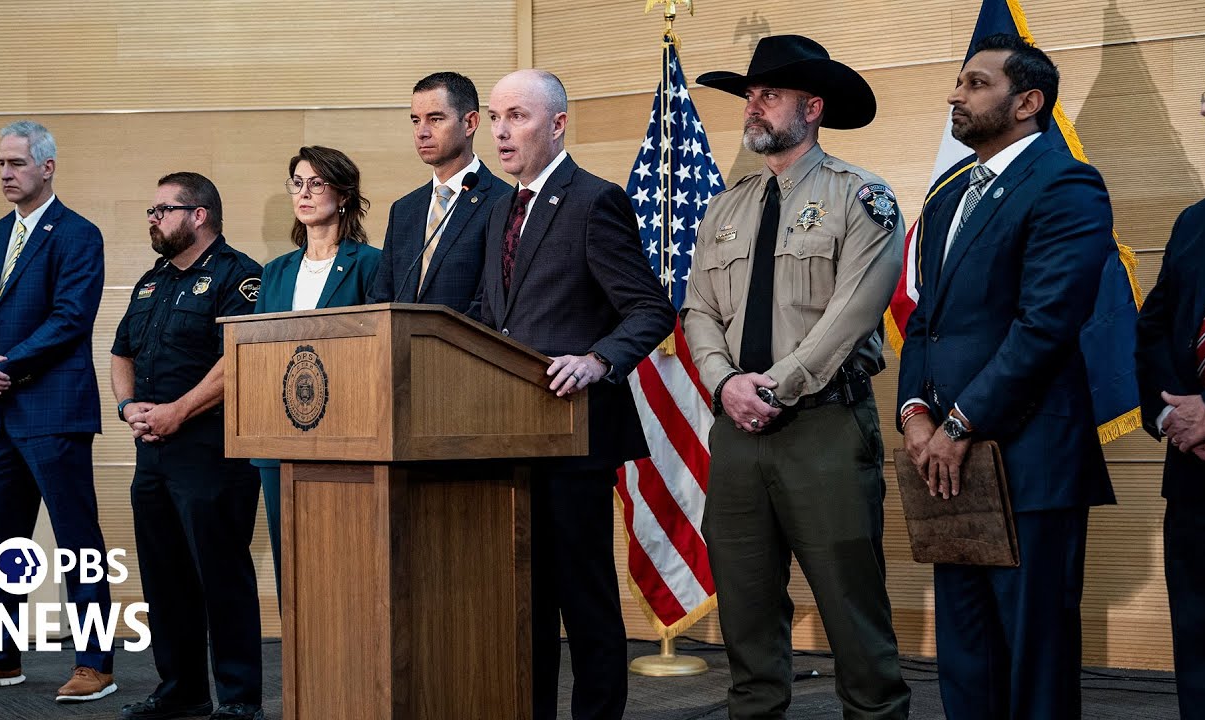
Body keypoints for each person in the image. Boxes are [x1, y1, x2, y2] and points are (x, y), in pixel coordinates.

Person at [683, 35, 911, 719]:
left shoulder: (861, 197)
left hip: (824, 429)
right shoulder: (726, 208)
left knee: (852, 610)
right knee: (746, 613)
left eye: (770, 94)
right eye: (750, 94)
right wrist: (725, 384)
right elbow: (698, 310)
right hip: (738, 432)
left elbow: (851, 315)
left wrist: (771, 388)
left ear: (812, 108)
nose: (753, 105)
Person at [897, 34, 1115, 719]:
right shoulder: (950, 197)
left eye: (976, 83)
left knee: (1033, 662)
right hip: (949, 465)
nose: (955, 95)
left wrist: (962, 422)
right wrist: (915, 414)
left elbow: (1045, 325)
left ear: (1028, 102)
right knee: (968, 660)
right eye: (959, 82)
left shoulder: (1066, 183)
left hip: (1028, 461)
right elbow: (925, 320)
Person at [471, 69, 676, 720]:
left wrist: (597, 360)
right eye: (495, 117)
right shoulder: (499, 209)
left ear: (558, 124)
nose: (501, 131)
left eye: (518, 116)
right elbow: (494, 316)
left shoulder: (594, 201)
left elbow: (650, 309)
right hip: (510, 437)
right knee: (524, 605)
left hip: (573, 436)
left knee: (584, 603)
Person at [0, 120, 116, 702]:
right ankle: (0, 657)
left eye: (16, 163)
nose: (6, 174)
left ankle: (94, 664)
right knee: (4, 543)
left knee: (77, 543)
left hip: (54, 410)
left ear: (47, 167)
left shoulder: (78, 234)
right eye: (1, 164)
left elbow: (70, 319)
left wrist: (2, 369)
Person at [111, 172, 264, 720]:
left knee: (221, 575)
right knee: (164, 576)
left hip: (211, 451)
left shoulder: (239, 276)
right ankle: (182, 690)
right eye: (152, 211)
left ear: (199, 215)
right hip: (153, 453)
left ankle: (240, 698)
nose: (153, 219)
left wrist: (178, 410)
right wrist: (128, 407)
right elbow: (121, 352)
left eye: (163, 210)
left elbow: (238, 359)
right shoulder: (151, 282)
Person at [253, 145, 380, 605]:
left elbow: (375, 349)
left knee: (344, 565)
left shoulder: (371, 264)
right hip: (280, 437)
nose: (304, 193)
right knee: (292, 568)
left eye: (316, 183)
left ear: (343, 195)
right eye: (297, 183)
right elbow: (259, 352)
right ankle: (297, 653)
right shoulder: (275, 272)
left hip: (345, 436)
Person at [1134, 80, 1205, 720]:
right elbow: (1152, 331)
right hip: (1195, 478)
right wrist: (1172, 413)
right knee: (1201, 650)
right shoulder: (1194, 223)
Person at [367, 71, 505, 310]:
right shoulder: (403, 210)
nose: (422, 132)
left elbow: (488, 306)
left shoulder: (502, 202)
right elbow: (381, 298)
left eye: (435, 119)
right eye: (415, 120)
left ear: (470, 123)